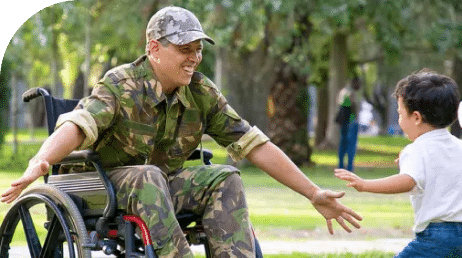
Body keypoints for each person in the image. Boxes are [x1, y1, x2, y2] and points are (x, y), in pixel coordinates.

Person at [2, 6, 362, 258]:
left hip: (158, 185)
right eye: (184, 49)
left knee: (224, 176)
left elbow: (254, 144)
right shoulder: (120, 84)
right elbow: (79, 126)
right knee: (148, 176)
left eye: (198, 50)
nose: (193, 57)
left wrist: (313, 192)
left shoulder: (201, 92)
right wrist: (40, 162)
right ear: (154, 49)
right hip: (97, 186)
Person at [335, 69, 462, 258]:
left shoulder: (417, 149)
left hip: (436, 237)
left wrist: (365, 185)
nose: (400, 120)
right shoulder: (458, 146)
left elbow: (408, 181)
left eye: (400, 114)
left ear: (417, 118)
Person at [336, 77, 361, 171]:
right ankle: (350, 167)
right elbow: (353, 107)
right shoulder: (352, 93)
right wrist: (355, 119)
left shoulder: (343, 91)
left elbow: (339, 104)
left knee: (342, 144)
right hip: (351, 121)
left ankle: (341, 165)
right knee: (351, 145)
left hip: (342, 122)